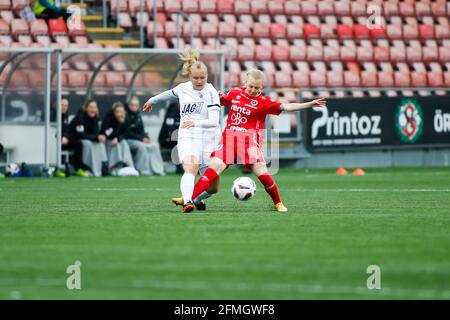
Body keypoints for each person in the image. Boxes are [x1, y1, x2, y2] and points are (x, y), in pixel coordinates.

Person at [188, 69, 326, 213]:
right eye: (251, 86)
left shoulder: (263, 102)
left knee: (264, 176)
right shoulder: (235, 93)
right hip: (229, 140)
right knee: (212, 170)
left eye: (257, 87)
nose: (253, 90)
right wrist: (218, 96)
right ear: (245, 83)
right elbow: (221, 102)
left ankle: (278, 203)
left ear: (261, 87)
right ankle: (189, 199)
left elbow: (287, 107)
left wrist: (309, 104)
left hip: (250, 144)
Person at [143, 48, 222, 213]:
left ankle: (196, 199)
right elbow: (168, 94)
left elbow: (214, 122)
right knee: (190, 167)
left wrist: (194, 123)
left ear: (207, 76)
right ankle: (187, 202)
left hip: (209, 138)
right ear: (190, 76)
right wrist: (152, 100)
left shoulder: (212, 92)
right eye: (195, 78)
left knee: (213, 187)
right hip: (188, 135)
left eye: (202, 77)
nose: (199, 81)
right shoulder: (183, 88)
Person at [125, 96, 165, 176]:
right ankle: (143, 170)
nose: (134, 107)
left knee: (154, 146)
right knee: (141, 146)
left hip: (139, 139)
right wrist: (141, 139)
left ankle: (158, 169)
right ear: (129, 105)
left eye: (136, 105)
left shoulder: (138, 115)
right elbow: (126, 132)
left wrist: (146, 137)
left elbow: (141, 131)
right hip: (128, 140)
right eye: (132, 105)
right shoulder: (125, 115)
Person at [68, 99, 108, 177]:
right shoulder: (80, 117)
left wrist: (99, 137)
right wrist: (96, 137)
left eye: (94, 108)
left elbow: (95, 133)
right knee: (88, 144)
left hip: (87, 138)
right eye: (91, 107)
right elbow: (81, 135)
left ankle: (103, 167)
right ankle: (86, 167)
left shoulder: (95, 118)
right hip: (75, 139)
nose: (93, 110)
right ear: (86, 108)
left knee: (100, 144)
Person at [51, 98, 89, 177]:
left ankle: (77, 169)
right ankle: (57, 168)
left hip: (64, 139)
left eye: (66, 105)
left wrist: (66, 137)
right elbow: (53, 130)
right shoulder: (53, 116)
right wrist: (62, 137)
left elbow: (67, 130)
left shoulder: (66, 116)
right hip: (54, 140)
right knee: (55, 145)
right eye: (62, 105)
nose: (64, 107)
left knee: (78, 144)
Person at [100, 102, 134, 175]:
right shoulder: (108, 118)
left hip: (118, 140)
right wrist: (119, 125)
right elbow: (108, 133)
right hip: (107, 140)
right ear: (113, 112)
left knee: (124, 143)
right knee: (117, 145)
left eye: (121, 112)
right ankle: (113, 167)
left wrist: (118, 138)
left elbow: (126, 133)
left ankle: (128, 165)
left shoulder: (125, 118)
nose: (119, 114)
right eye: (117, 112)